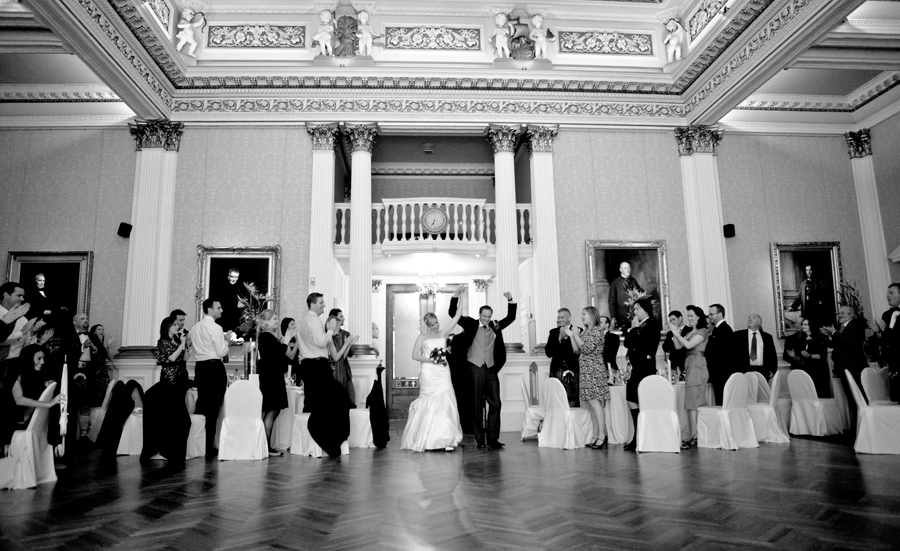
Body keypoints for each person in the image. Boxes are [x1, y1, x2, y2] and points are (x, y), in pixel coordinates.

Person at [449, 290, 517, 449]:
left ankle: (492, 438)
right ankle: (479, 439)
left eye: (489, 316)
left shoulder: (496, 325)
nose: (486, 319)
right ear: (479, 315)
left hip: (491, 368)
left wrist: (510, 300)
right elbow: (453, 313)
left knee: (496, 403)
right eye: (484, 316)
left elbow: (511, 317)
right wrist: (455, 296)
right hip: (474, 367)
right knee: (476, 404)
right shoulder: (470, 323)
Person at [401, 301, 463, 452]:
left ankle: (446, 438)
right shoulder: (422, 337)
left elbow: (458, 315)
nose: (436, 326)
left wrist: (459, 295)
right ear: (427, 325)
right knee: (430, 402)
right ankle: (429, 439)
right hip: (429, 372)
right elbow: (414, 355)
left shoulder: (444, 333)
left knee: (445, 401)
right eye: (432, 324)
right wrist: (433, 360)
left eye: (437, 323)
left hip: (443, 372)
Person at [297, 293, 349, 457]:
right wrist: (330, 331)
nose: (324, 305)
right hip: (318, 365)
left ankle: (311, 446)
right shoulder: (314, 320)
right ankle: (327, 439)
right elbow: (320, 342)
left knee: (312, 401)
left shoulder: (301, 321)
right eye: (321, 303)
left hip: (306, 364)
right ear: (312, 305)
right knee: (328, 401)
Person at [188, 298, 233, 457]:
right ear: (209, 310)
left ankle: (197, 443)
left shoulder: (194, 328)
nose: (221, 310)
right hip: (214, 368)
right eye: (219, 308)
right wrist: (227, 340)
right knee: (213, 408)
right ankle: (208, 447)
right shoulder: (216, 328)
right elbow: (221, 352)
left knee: (202, 404)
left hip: (200, 367)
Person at [144, 316, 192, 462]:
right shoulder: (162, 342)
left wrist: (188, 346)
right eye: (174, 324)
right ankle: (166, 452)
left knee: (180, 420)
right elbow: (171, 359)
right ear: (167, 327)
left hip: (179, 382)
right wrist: (182, 345)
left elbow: (183, 360)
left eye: (178, 324)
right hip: (168, 383)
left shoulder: (177, 341)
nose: (178, 326)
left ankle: (174, 453)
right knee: (176, 419)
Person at [257, 309, 298, 456]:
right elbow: (275, 355)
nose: (276, 321)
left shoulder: (270, 337)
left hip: (274, 377)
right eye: (274, 319)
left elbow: (282, 357)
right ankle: (265, 447)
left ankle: (265, 445)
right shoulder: (265, 336)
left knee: (273, 411)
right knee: (271, 411)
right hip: (271, 378)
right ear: (266, 322)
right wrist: (286, 340)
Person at [567, 306, 608, 449]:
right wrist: (573, 336)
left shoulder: (597, 331)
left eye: (584, 314)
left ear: (591, 315)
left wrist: (577, 336)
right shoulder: (586, 331)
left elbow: (587, 348)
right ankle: (597, 435)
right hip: (586, 371)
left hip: (594, 371)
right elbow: (576, 350)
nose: (582, 316)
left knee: (596, 403)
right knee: (592, 405)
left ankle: (602, 436)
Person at [622, 297, 660, 451]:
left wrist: (635, 330)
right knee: (631, 398)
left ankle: (643, 437)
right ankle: (637, 435)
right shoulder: (637, 327)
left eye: (637, 309)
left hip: (645, 366)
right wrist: (633, 329)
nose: (635, 311)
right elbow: (627, 343)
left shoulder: (653, 324)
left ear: (645, 309)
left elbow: (644, 344)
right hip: (635, 367)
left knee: (642, 400)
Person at [668, 305, 708, 449]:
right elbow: (679, 347)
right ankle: (693, 435)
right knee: (691, 402)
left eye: (691, 316)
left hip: (698, 365)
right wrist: (675, 333)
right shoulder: (692, 331)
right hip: (690, 364)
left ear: (699, 317)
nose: (689, 318)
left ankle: (695, 436)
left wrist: (677, 334)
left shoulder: (702, 331)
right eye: (688, 316)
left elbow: (689, 344)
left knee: (694, 403)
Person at [821, 305, 868, 428]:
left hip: (855, 368)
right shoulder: (840, 328)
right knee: (851, 399)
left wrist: (834, 332)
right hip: (843, 368)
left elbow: (849, 343)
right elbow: (835, 345)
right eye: (839, 313)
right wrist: (828, 335)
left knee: (859, 398)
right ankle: (856, 428)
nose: (840, 315)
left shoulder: (857, 325)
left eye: (843, 313)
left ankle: (865, 426)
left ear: (851, 315)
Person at [785, 318, 829, 398]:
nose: (803, 326)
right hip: (805, 369)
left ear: (811, 326)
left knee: (818, 394)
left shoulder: (820, 338)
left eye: (806, 324)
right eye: (802, 324)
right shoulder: (800, 339)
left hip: (818, 370)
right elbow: (799, 357)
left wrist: (810, 355)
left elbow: (823, 355)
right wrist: (794, 356)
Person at [870, 283, 900, 402]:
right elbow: (886, 341)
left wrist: (885, 328)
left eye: (891, 293)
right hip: (892, 365)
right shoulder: (886, 315)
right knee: (895, 399)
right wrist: (878, 333)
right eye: (887, 293)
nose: (887, 296)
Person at [544, 308, 580, 406]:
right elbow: (548, 353)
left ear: (569, 318)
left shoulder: (578, 330)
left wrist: (570, 336)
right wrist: (559, 338)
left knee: (572, 401)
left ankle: (570, 421)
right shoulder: (553, 332)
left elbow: (578, 353)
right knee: (556, 400)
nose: (559, 319)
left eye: (562, 317)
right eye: (558, 317)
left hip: (572, 369)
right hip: (557, 369)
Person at [733, 314, 778, 380]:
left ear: (759, 322)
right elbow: (733, 354)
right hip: (744, 371)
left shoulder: (767, 337)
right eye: (749, 318)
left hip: (763, 371)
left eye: (753, 318)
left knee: (761, 390)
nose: (750, 319)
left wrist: (773, 369)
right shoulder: (738, 335)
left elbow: (772, 355)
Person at [706, 303, 733, 405]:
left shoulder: (724, 329)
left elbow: (721, 353)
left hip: (722, 372)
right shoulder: (718, 329)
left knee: (722, 401)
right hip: (718, 372)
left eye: (712, 314)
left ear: (720, 314)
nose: (710, 317)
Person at [328, 308, 356, 407]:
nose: (343, 319)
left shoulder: (346, 334)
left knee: (351, 401)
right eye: (341, 316)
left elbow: (350, 354)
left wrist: (350, 344)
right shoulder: (329, 336)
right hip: (334, 371)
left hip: (345, 370)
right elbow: (335, 357)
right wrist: (347, 344)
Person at [608, 262, 644, 330]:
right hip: (621, 316)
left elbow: (640, 292)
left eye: (628, 268)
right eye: (625, 268)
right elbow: (611, 302)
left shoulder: (633, 281)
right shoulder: (615, 283)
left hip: (633, 315)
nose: (627, 270)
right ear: (620, 270)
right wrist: (613, 317)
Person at [88, 324, 112, 407]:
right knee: (96, 394)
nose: (102, 331)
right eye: (99, 329)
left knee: (104, 394)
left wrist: (109, 346)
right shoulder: (92, 342)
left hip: (102, 372)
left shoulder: (102, 344)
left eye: (102, 329)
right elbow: (95, 352)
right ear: (94, 332)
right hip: (95, 371)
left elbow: (110, 358)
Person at [662, 310, 690, 381]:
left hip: (685, 362)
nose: (672, 322)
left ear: (680, 318)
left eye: (673, 319)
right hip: (673, 364)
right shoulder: (669, 333)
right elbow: (665, 348)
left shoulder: (689, 330)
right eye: (670, 320)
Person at [218, 268, 246, 334]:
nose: (234, 279)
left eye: (236, 277)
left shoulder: (240, 288)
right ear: (228, 277)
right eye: (232, 276)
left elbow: (243, 302)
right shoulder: (222, 288)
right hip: (224, 316)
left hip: (236, 317)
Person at [280, 317, 301, 385]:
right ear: (287, 327)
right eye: (292, 324)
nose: (295, 325)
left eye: (295, 323)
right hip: (288, 371)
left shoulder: (295, 339)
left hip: (297, 368)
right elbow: (291, 356)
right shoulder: (283, 340)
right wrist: (298, 342)